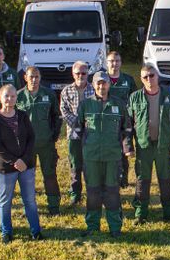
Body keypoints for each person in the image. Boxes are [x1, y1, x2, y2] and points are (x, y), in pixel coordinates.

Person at [77, 72, 133, 236]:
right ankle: (92, 226)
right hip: (92, 157)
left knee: (112, 192)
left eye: (105, 83)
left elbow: (127, 128)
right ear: (93, 85)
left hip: (112, 156)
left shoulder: (119, 104)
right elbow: (78, 128)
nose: (102, 87)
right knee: (93, 192)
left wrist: (124, 147)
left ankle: (115, 227)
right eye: (98, 84)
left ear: (109, 84)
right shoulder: (86, 105)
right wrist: (88, 144)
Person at [0, 84, 41, 243]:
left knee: (30, 200)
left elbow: (31, 138)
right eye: (6, 96)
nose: (9, 99)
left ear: (16, 98)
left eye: (12, 96)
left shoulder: (23, 116)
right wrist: (14, 161)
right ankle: (6, 232)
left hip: (26, 166)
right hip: (5, 168)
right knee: (5, 201)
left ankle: (36, 231)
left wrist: (24, 160)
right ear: (0, 98)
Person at [127, 64, 170, 223]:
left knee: (165, 180)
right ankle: (140, 214)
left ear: (158, 76)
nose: (149, 79)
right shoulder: (135, 97)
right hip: (144, 146)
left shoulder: (169, 96)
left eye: (152, 75)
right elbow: (128, 124)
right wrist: (128, 146)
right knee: (142, 180)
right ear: (141, 79)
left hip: (163, 146)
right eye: (145, 77)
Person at [16, 66, 62, 215]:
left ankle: (54, 206)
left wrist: (53, 136)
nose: (34, 80)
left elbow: (56, 116)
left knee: (50, 175)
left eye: (36, 77)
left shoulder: (49, 94)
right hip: (26, 146)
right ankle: (28, 207)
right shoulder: (18, 97)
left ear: (40, 78)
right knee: (27, 178)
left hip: (46, 144)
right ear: (25, 78)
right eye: (31, 77)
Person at [60, 61, 94, 205]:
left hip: (92, 133)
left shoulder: (94, 90)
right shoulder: (66, 91)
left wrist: (87, 123)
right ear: (73, 74)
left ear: (88, 74)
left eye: (83, 73)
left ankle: (92, 192)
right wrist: (78, 122)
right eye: (77, 73)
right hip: (73, 132)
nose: (81, 75)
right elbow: (64, 110)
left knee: (90, 163)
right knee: (75, 163)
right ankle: (75, 193)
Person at [105, 50, 136, 188]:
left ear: (121, 63)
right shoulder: (101, 79)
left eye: (117, 61)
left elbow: (134, 99)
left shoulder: (128, 80)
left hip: (125, 121)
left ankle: (123, 179)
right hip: (107, 122)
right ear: (106, 63)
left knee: (124, 149)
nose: (115, 64)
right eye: (112, 61)